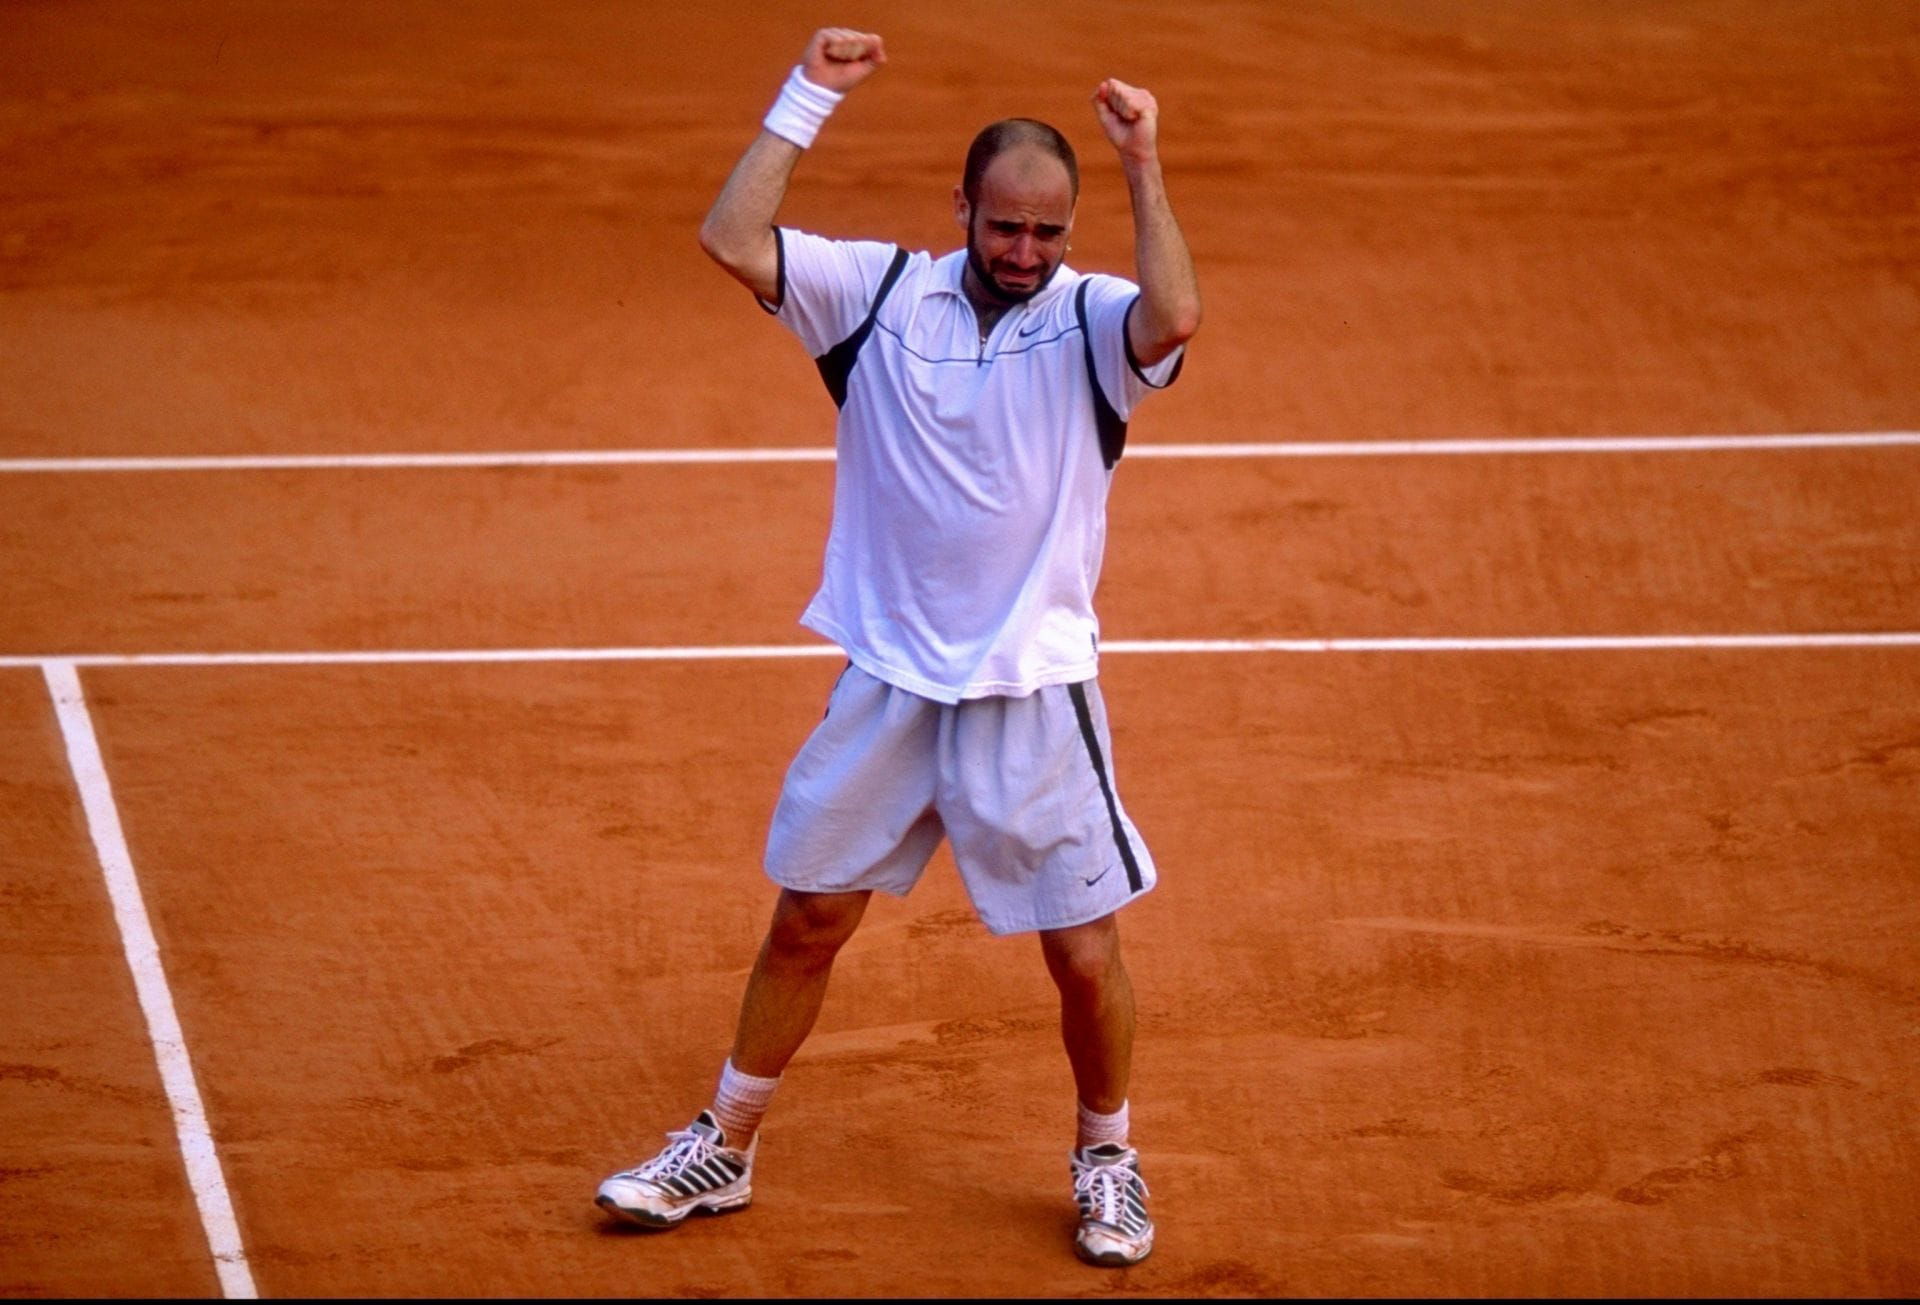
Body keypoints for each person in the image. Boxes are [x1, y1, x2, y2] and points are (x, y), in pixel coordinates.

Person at [596, 26, 1200, 1268]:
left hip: (1032, 692)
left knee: (1084, 959)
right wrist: (807, 95)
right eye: (1003, 229)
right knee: (807, 923)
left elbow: (1177, 311)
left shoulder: (1094, 322)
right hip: (887, 683)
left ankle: (1108, 1159)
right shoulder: (872, 295)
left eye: (1046, 233)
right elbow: (729, 237)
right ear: (963, 211)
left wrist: (1143, 164)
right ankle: (726, 1141)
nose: (1024, 254)